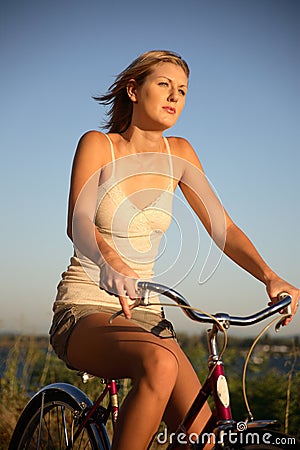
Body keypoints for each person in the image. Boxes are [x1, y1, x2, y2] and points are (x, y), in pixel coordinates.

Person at [49, 50, 299, 450]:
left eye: (182, 90)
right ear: (133, 89)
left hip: (147, 313)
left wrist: (270, 276)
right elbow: (77, 223)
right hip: (86, 307)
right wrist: (109, 261)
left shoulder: (178, 153)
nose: (174, 96)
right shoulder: (99, 145)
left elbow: (224, 229)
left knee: (203, 437)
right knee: (160, 362)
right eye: (163, 84)